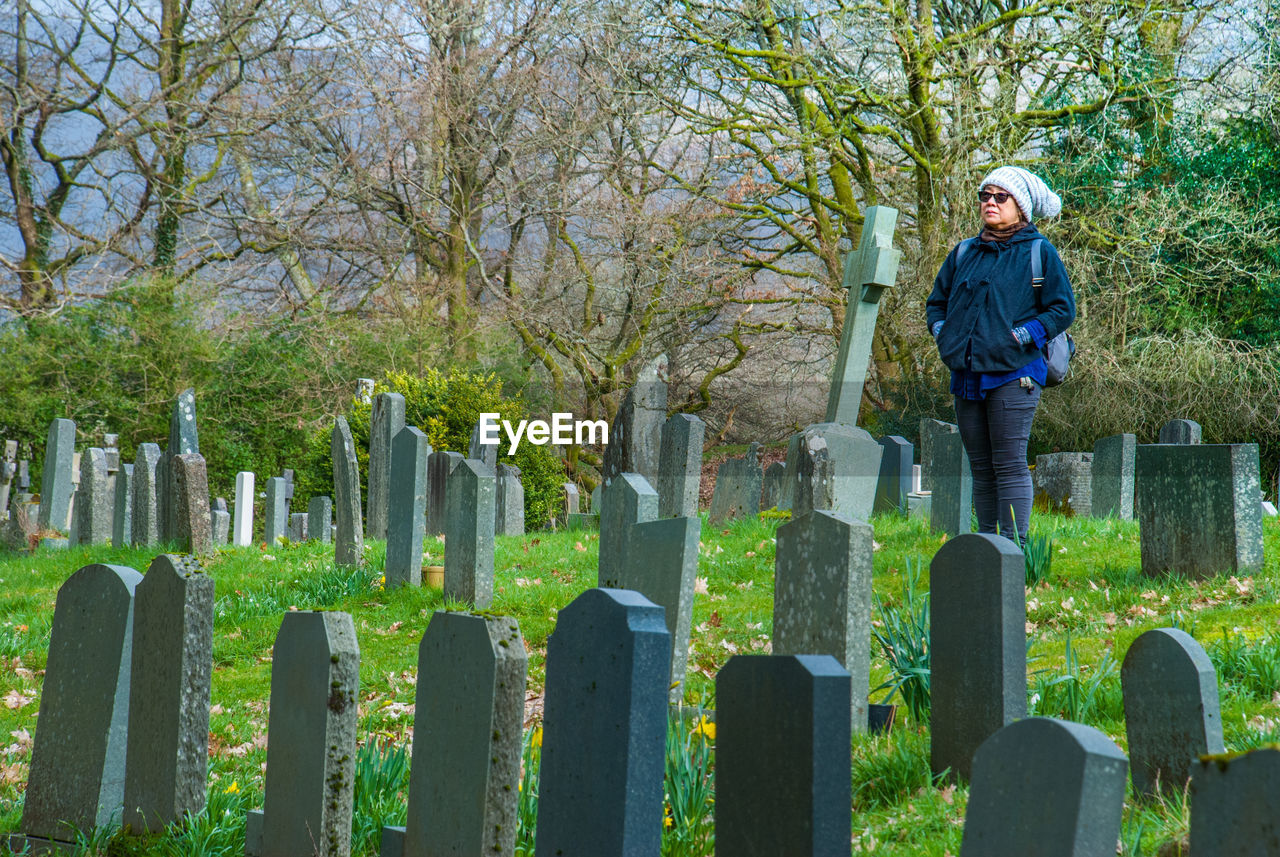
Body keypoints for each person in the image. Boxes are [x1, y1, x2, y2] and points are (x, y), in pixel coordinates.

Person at [925, 166, 1076, 546]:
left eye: (1000, 196)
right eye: (984, 195)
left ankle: (1011, 552)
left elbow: (1062, 309)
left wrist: (1023, 335)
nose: (989, 202)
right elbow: (936, 303)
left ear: (1020, 207)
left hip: (1015, 373)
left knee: (1008, 465)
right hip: (966, 374)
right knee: (981, 469)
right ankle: (985, 549)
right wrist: (944, 334)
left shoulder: (1039, 252)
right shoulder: (963, 253)